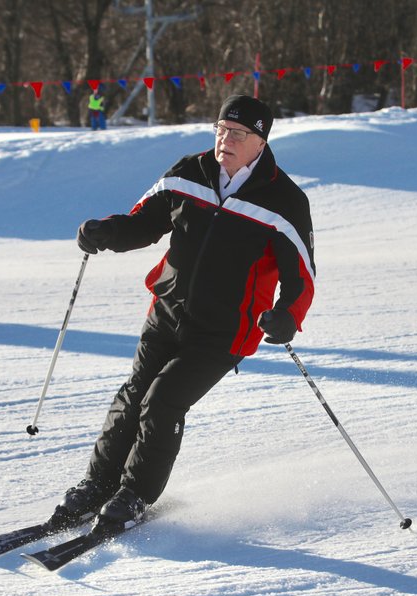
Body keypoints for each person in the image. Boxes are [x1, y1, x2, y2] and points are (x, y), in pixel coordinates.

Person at [51, 95, 316, 530]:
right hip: (167, 309)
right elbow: (144, 222)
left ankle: (134, 494)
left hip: (223, 331)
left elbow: (301, 274)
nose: (224, 139)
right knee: (132, 395)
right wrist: (106, 232)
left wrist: (287, 316)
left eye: (237, 133)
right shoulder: (189, 171)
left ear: (260, 140)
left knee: (162, 401)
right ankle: (98, 484)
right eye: (220, 129)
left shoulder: (284, 199)